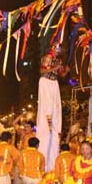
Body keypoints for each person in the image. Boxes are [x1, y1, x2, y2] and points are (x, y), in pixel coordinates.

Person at [36, 44, 69, 172]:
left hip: (54, 84)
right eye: (57, 48)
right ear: (52, 49)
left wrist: (65, 70)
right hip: (45, 82)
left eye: (60, 49)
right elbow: (42, 71)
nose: (59, 50)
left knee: (56, 109)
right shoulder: (47, 58)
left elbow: (60, 75)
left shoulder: (59, 60)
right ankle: (46, 125)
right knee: (47, 110)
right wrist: (54, 67)